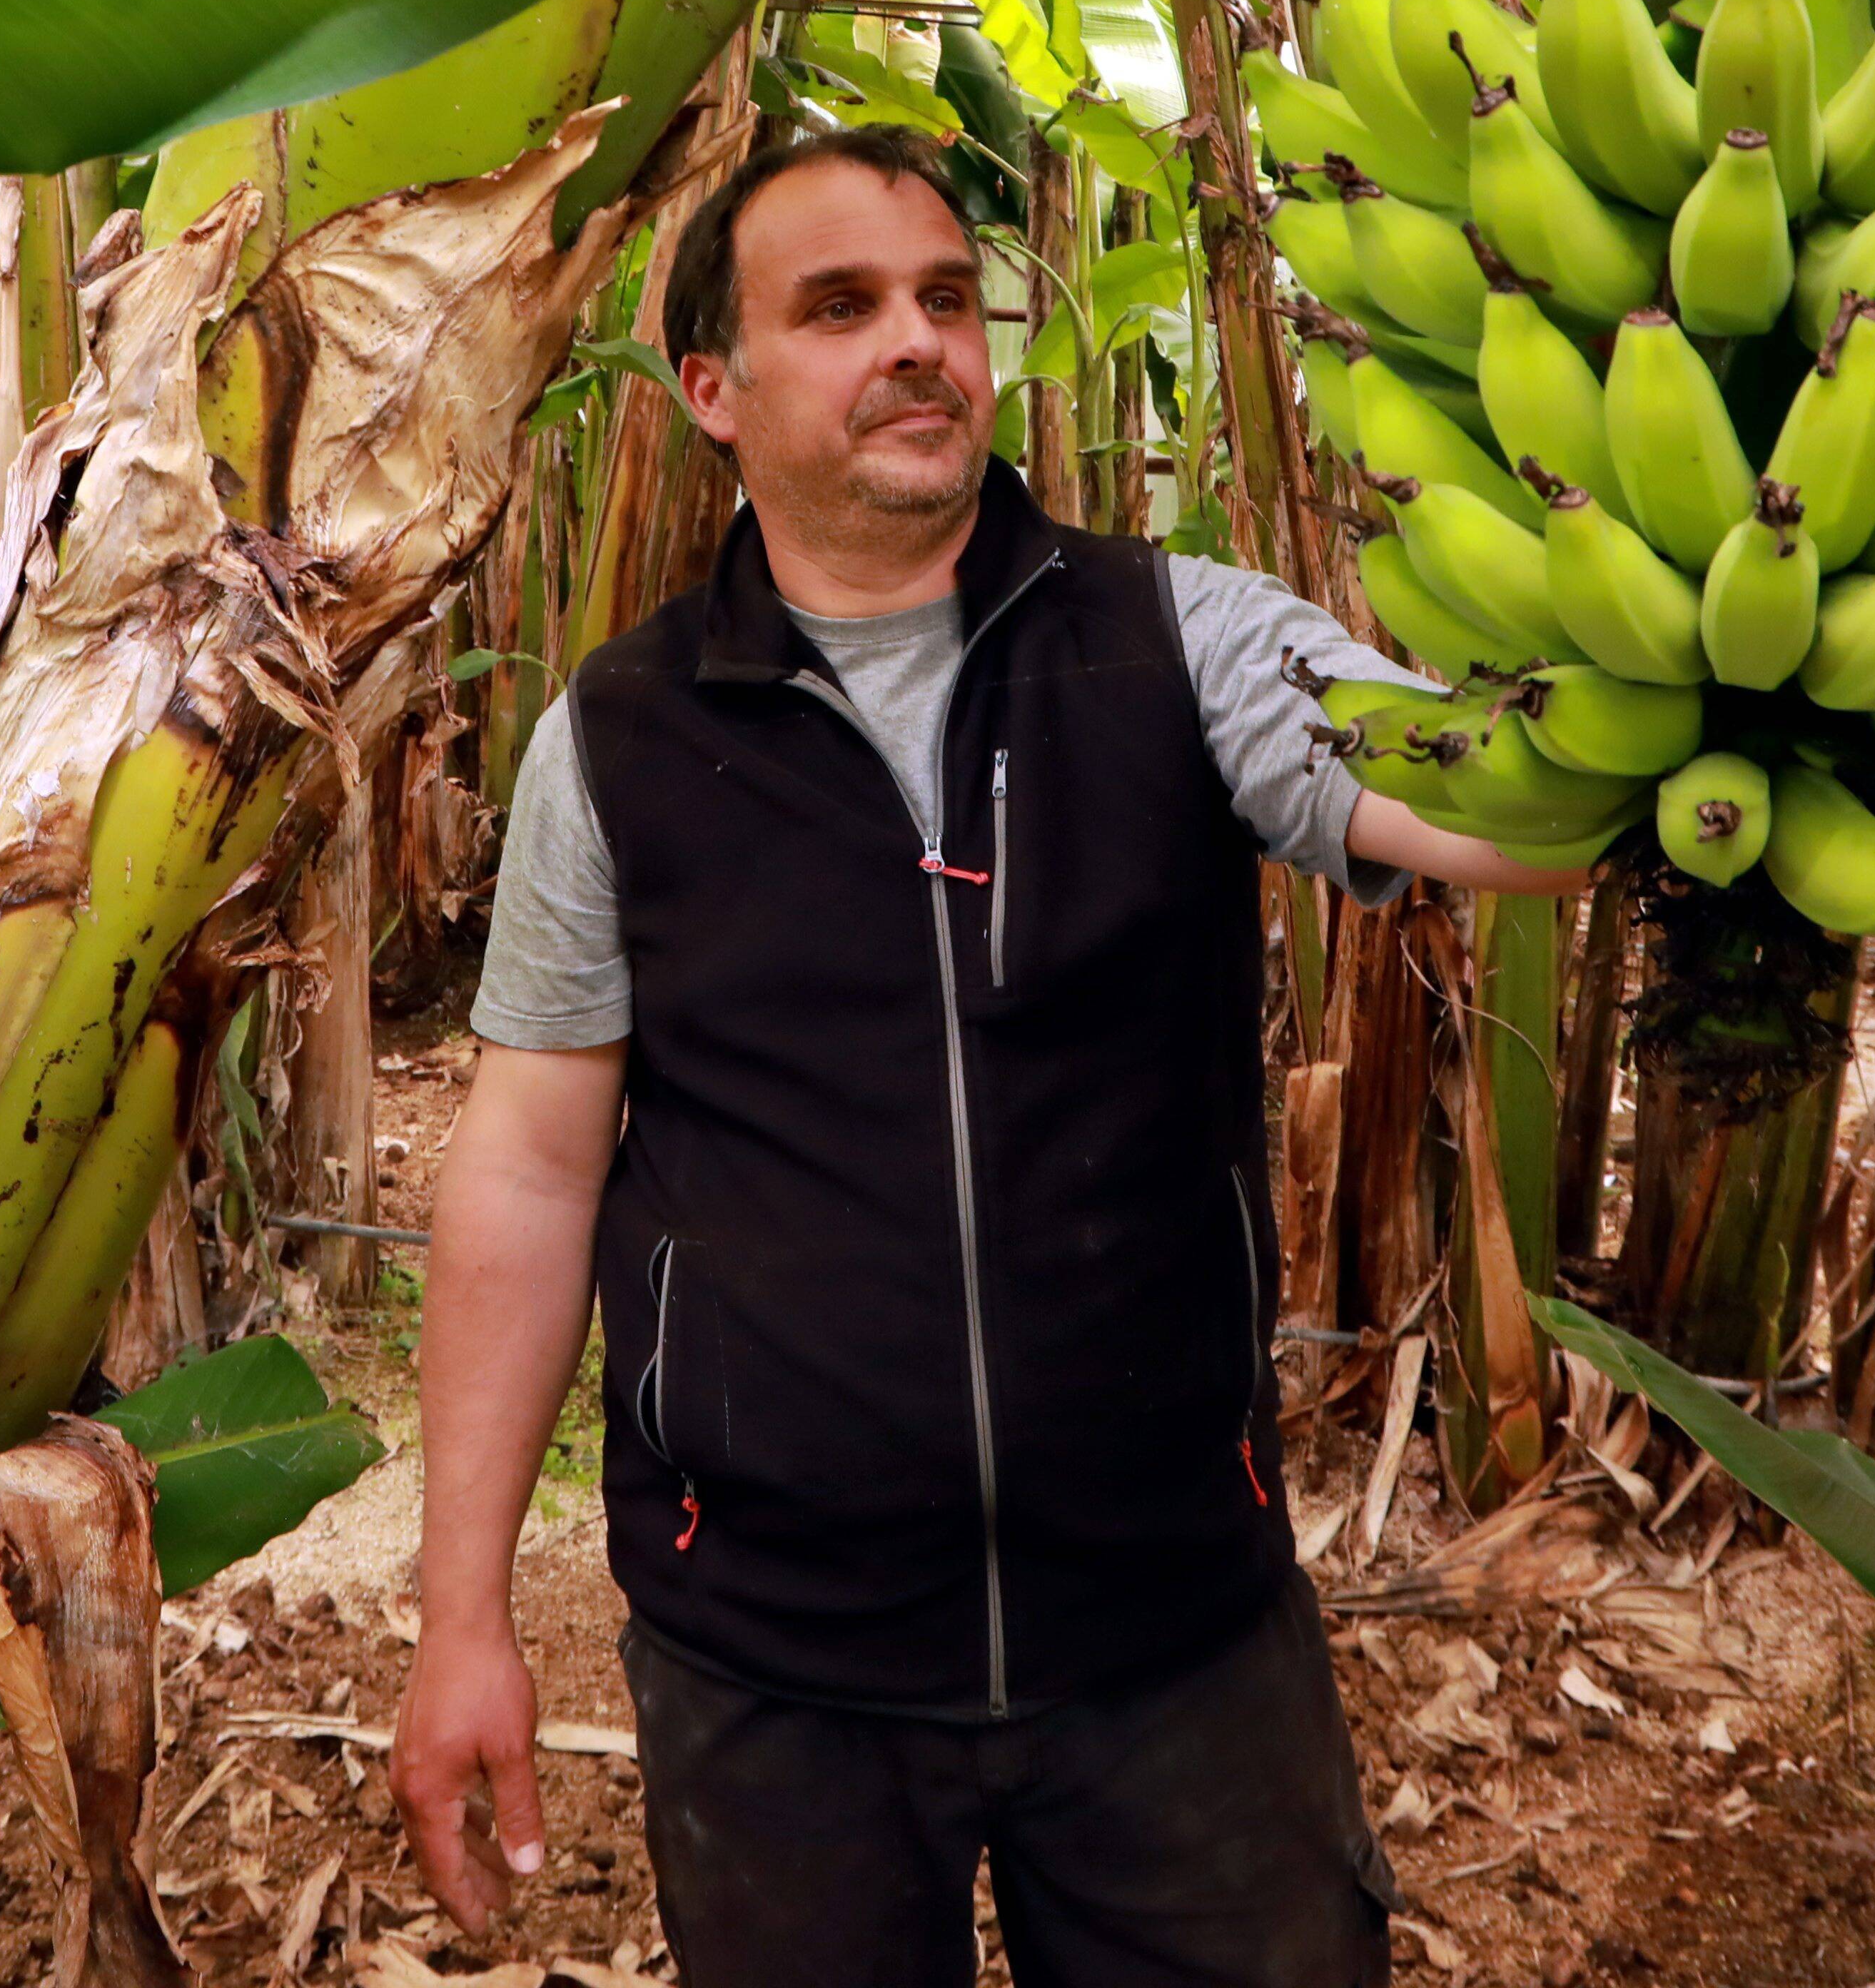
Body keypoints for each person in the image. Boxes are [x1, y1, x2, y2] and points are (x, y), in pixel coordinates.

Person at [389, 123, 1590, 1987]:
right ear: (712, 389)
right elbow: (529, 1178)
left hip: (1174, 1637)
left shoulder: (1175, 644)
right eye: (843, 306)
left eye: (949, 298)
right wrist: (461, 1613)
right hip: (775, 1664)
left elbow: (1493, 811)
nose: (919, 342)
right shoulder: (618, 744)